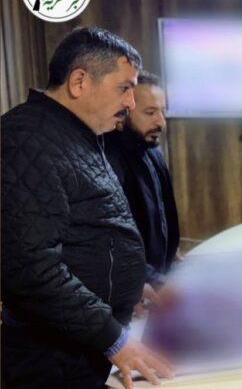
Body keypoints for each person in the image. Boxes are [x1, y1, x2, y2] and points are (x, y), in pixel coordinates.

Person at [1, 27, 172, 388]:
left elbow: (90, 232)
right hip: (53, 359)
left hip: (80, 348)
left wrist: (130, 285)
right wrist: (114, 339)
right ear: (79, 82)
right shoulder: (26, 140)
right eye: (124, 88)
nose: (130, 102)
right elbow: (32, 268)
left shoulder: (75, 134)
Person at [105, 71, 180, 303]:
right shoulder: (108, 159)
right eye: (150, 112)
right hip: (133, 289)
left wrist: (171, 254)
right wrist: (150, 279)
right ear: (123, 112)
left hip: (157, 278)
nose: (161, 122)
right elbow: (112, 238)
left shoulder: (152, 149)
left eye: (162, 111)